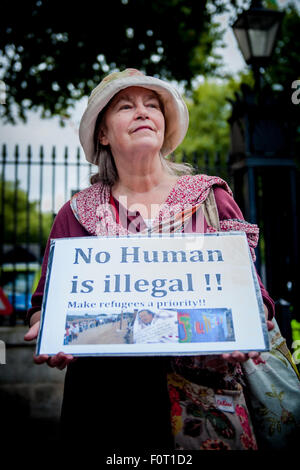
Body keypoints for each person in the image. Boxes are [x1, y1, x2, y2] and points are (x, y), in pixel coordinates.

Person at [24, 68, 274, 449]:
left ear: (162, 123)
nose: (142, 112)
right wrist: (49, 329)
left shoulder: (210, 199)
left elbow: (255, 298)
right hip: (105, 406)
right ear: (103, 134)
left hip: (204, 403)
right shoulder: (74, 213)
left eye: (152, 105)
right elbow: (47, 306)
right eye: (126, 106)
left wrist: (248, 326)